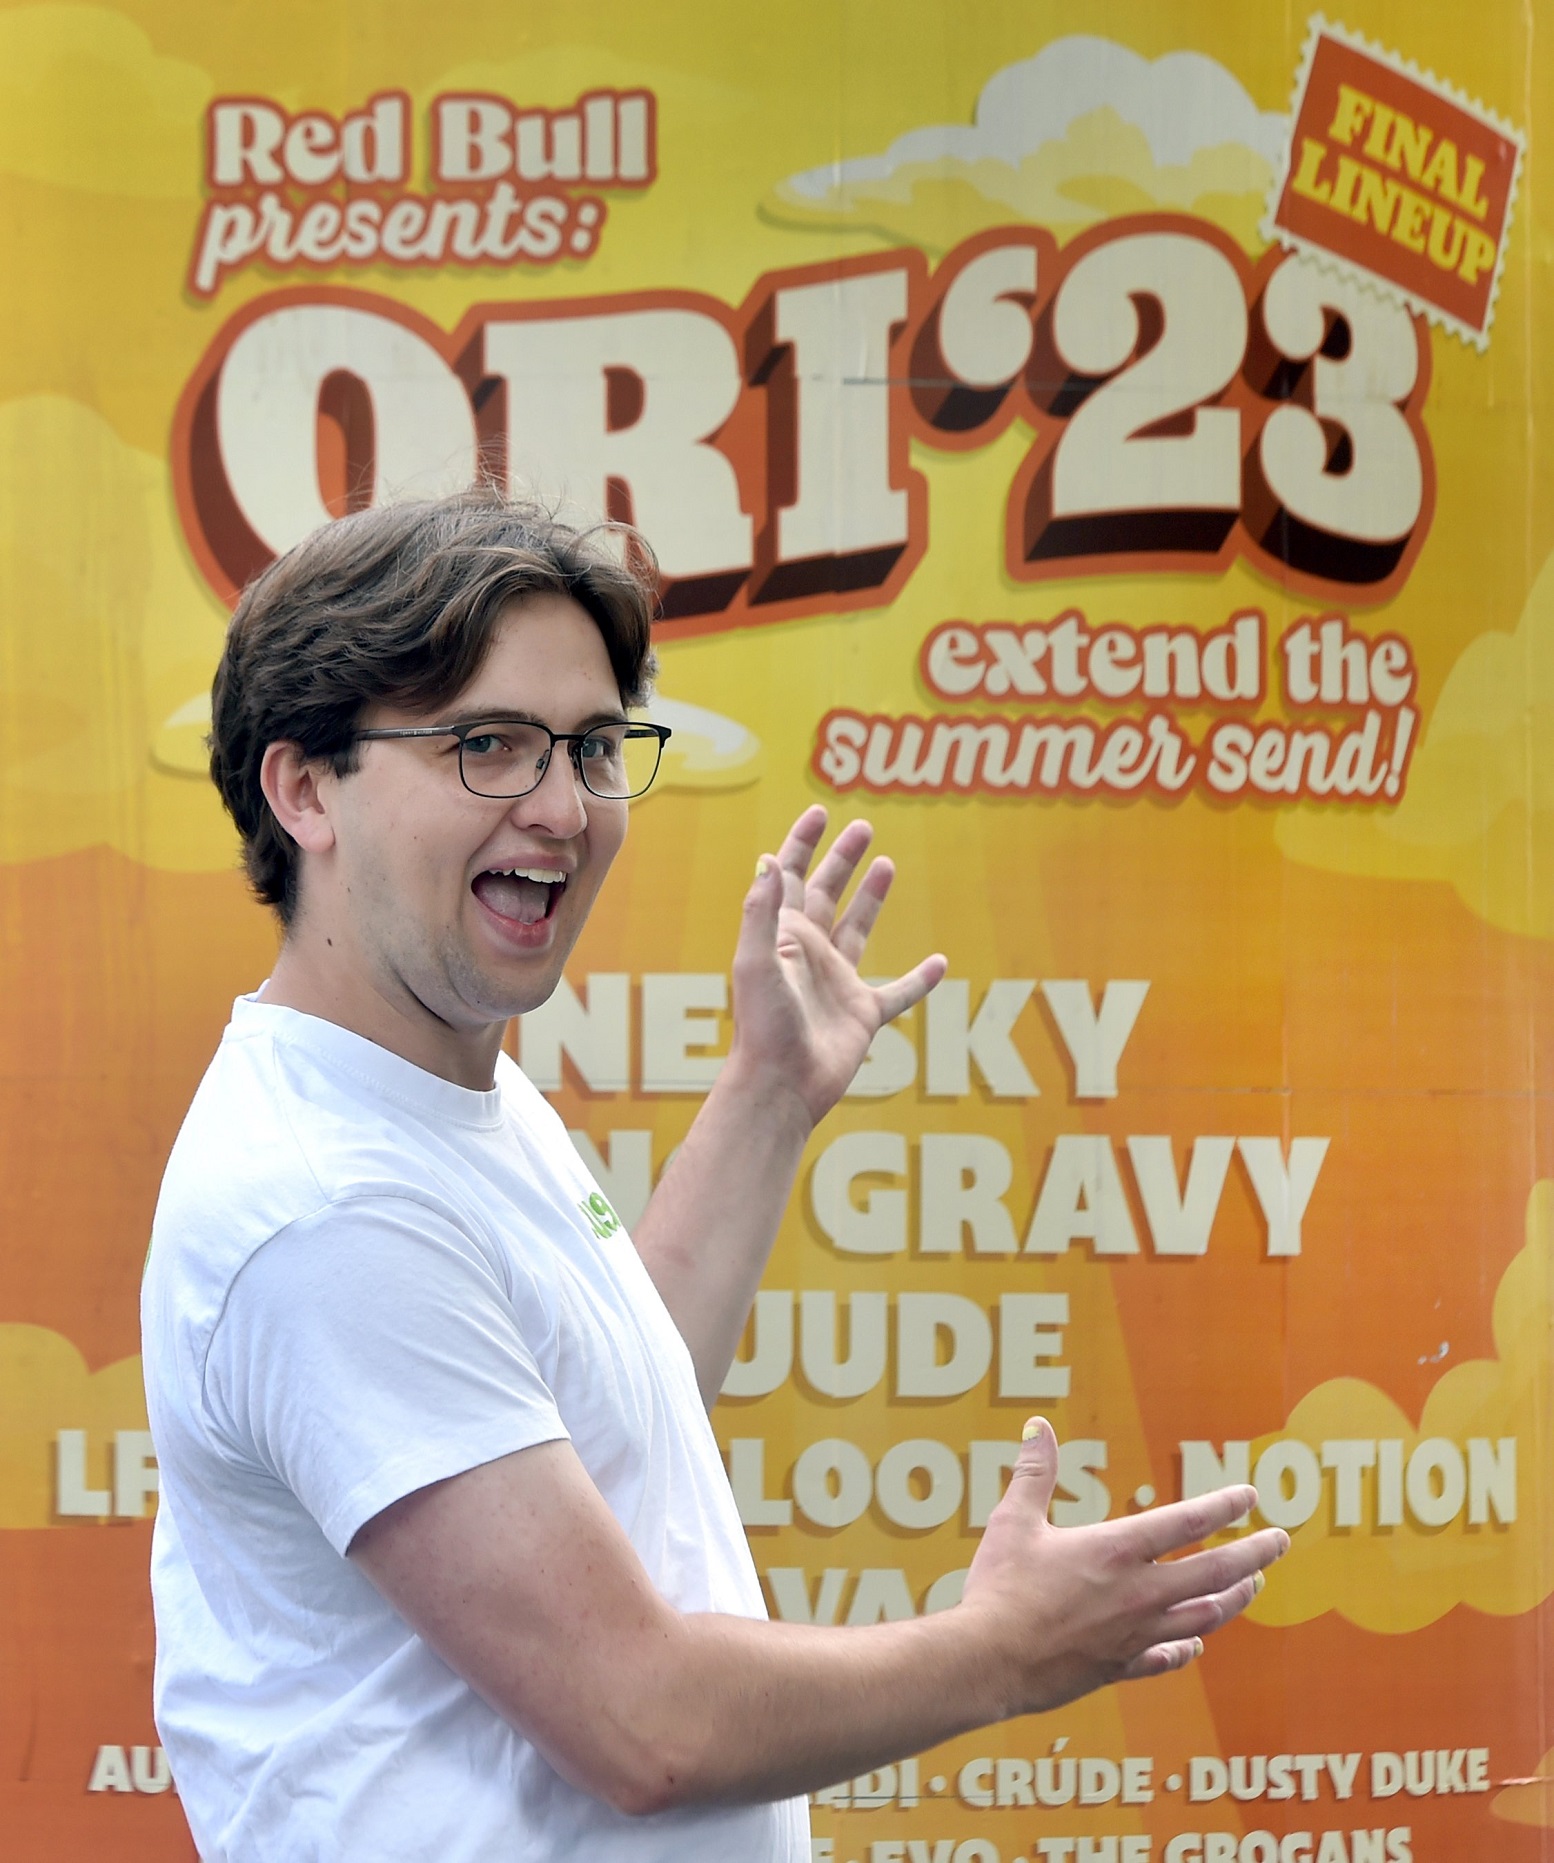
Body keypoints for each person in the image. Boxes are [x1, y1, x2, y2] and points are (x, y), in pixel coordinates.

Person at [142, 490, 1287, 1862]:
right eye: (488, 745)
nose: (563, 807)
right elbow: (644, 1726)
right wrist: (1006, 1650)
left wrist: (765, 1096)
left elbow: (616, 1392)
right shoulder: (330, 1204)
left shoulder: (442, 1090)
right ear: (305, 788)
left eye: (593, 745)